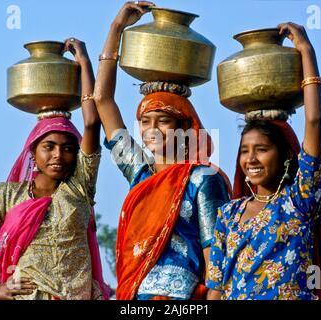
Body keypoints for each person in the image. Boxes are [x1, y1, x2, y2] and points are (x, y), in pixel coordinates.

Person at [0, 38, 110, 300]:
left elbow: (91, 123)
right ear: (33, 151)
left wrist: (84, 62)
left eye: (68, 148)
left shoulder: (79, 187)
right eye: (49, 147)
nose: (58, 155)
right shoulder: (5, 197)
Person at [93, 1, 231, 300]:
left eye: (163, 120)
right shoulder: (140, 174)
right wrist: (117, 28)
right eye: (145, 121)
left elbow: (216, 257)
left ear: (184, 126)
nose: (151, 129)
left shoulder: (203, 179)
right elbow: (101, 100)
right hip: (134, 296)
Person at [206, 22, 321, 300]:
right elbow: (215, 290)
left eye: (261, 149)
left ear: (287, 154)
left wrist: (305, 50)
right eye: (244, 150)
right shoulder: (228, 215)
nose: (250, 159)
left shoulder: (299, 201)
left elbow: (314, 120)